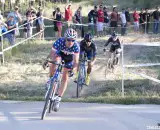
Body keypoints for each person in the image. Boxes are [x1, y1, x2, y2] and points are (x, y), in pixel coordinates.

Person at [43, 28, 80, 111]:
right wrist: (47, 61)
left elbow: (76, 62)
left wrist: (73, 70)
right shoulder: (59, 41)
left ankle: (58, 98)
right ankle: (51, 80)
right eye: (68, 40)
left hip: (69, 60)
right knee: (54, 62)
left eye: (73, 40)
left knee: (65, 77)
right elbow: (52, 54)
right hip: (59, 56)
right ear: (65, 38)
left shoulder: (76, 46)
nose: (70, 42)